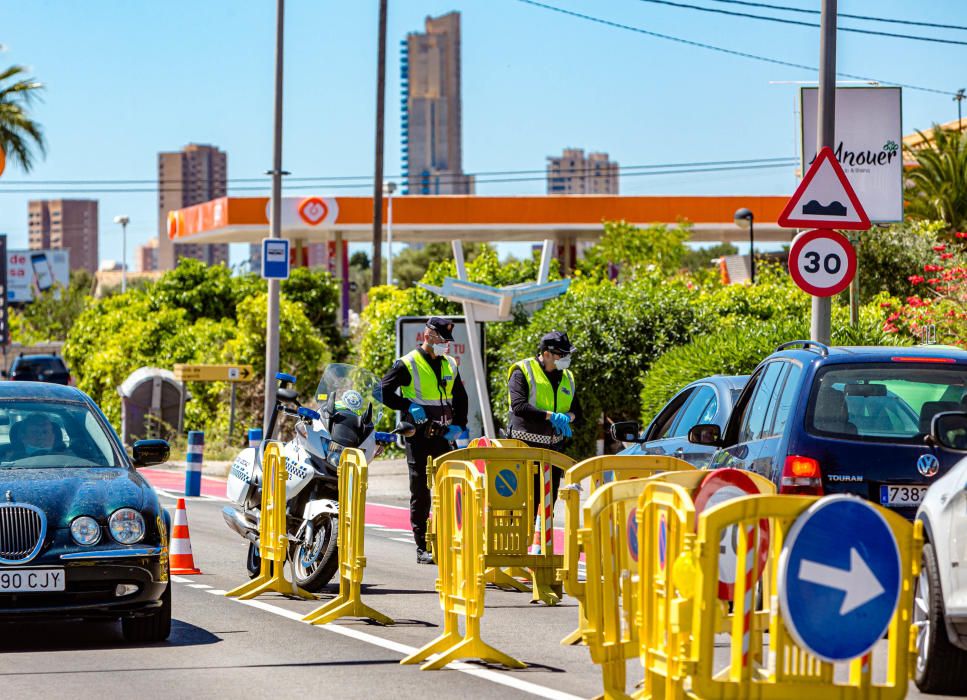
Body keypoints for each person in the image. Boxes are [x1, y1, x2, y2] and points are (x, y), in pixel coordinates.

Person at [381, 317, 469, 564]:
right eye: (441, 339)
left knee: (450, 488)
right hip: (418, 436)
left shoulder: (450, 363)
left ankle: (449, 538)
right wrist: (408, 405)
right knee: (421, 491)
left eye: (447, 340)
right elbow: (382, 391)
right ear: (428, 335)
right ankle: (422, 546)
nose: (445, 345)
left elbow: (461, 397)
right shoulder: (407, 363)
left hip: (444, 436)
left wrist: (459, 426)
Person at [507, 330, 581, 531]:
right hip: (524, 448)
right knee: (523, 501)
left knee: (548, 500)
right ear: (547, 354)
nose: (566, 359)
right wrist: (551, 416)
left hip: (552, 450)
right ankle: (518, 543)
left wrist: (568, 418)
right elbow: (519, 406)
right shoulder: (522, 371)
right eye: (562, 355)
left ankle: (539, 547)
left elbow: (577, 411)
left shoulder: (567, 377)